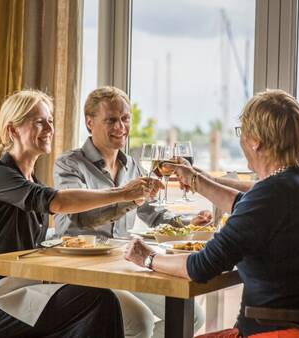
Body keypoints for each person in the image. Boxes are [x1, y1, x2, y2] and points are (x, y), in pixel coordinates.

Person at [125, 89, 299, 337]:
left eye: (242, 131)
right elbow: (248, 206)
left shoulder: (270, 196)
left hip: (278, 333)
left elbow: (200, 267)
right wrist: (195, 179)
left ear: (256, 141)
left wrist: (145, 257)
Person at [0, 90, 162, 338]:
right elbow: (57, 201)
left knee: (111, 305)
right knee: (99, 300)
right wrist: (122, 193)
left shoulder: (30, 179)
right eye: (39, 121)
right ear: (12, 130)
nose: (49, 128)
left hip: (24, 285)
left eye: (50, 121)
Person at [53, 86, 206, 338]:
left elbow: (152, 214)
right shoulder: (70, 163)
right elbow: (82, 217)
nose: (120, 127)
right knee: (140, 322)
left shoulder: (130, 164)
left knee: (193, 316)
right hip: (82, 270)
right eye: (111, 120)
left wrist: (189, 223)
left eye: (125, 119)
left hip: (119, 264)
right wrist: (127, 198)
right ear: (89, 123)